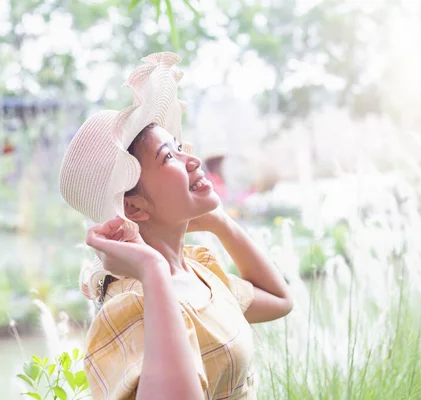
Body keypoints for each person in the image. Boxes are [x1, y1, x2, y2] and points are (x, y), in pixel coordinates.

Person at [59, 52, 293, 400]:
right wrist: (151, 270)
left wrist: (220, 224)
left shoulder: (198, 273)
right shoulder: (134, 305)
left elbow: (280, 300)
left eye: (179, 147)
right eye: (169, 156)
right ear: (133, 206)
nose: (193, 159)